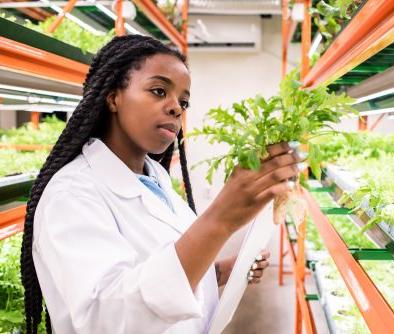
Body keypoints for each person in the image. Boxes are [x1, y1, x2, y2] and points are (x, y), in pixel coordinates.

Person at [20, 35, 301, 334]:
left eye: (183, 102)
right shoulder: (71, 196)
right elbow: (105, 321)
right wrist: (219, 220)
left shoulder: (154, 176)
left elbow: (159, 266)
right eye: (158, 91)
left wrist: (218, 272)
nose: (176, 109)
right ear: (113, 97)